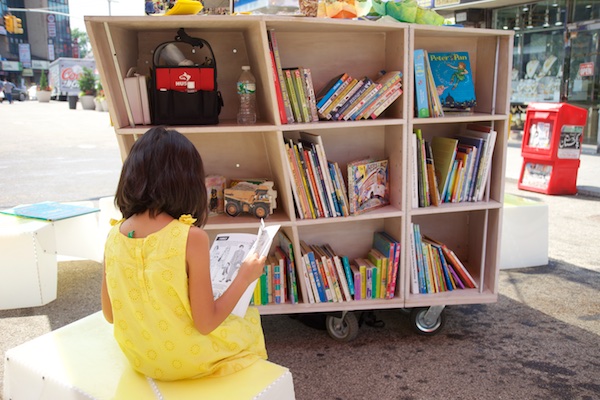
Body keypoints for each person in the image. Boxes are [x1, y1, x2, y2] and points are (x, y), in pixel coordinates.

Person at [101, 126, 268, 381]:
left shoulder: (114, 234)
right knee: (249, 322)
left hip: (140, 358)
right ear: (187, 181)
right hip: (189, 360)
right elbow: (205, 324)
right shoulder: (191, 237)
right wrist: (244, 277)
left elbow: (110, 315)